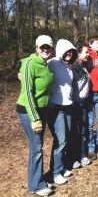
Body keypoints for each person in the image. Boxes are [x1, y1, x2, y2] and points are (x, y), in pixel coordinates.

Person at [16, 35, 54, 196]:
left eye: (48, 47)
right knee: (36, 148)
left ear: (52, 49)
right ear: (37, 48)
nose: (45, 50)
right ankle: (36, 186)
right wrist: (35, 118)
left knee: (37, 147)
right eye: (42, 47)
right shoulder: (30, 64)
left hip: (42, 109)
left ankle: (36, 181)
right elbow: (28, 94)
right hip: (29, 111)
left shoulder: (46, 65)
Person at [47, 39, 78, 185]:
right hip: (56, 107)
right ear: (61, 51)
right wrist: (22, 75)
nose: (69, 53)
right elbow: (38, 72)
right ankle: (55, 172)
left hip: (69, 106)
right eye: (67, 50)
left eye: (71, 51)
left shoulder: (70, 65)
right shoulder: (52, 63)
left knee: (67, 138)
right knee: (60, 140)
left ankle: (62, 166)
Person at [67, 42, 91, 169]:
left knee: (83, 131)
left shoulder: (84, 66)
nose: (88, 54)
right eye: (85, 52)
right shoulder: (72, 67)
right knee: (73, 132)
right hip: (73, 104)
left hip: (83, 103)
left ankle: (82, 155)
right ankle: (73, 157)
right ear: (78, 54)